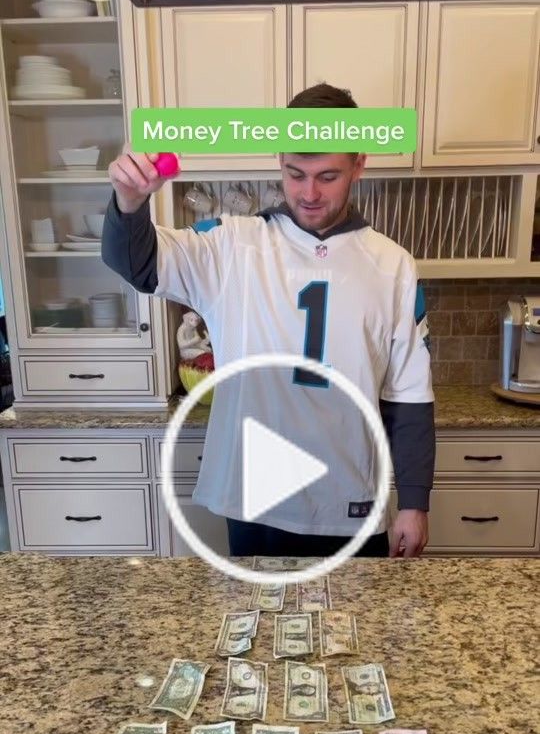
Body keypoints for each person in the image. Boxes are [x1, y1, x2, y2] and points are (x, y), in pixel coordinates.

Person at [102, 83, 435, 559]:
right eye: (295, 173)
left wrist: (415, 502)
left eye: (328, 175)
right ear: (279, 159)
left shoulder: (393, 265)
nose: (309, 192)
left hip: (351, 497)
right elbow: (137, 263)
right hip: (255, 498)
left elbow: (410, 396)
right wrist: (128, 202)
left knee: (356, 631)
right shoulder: (229, 245)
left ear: (359, 165)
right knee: (257, 629)